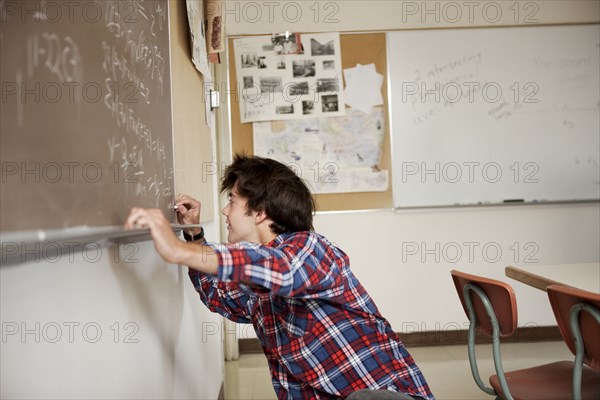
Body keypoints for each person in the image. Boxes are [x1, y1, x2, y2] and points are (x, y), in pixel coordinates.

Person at [125, 155, 434, 400]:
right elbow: (219, 295)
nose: (224, 210)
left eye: (232, 200)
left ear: (259, 212)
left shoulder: (312, 250)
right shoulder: (261, 284)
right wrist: (192, 236)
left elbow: (277, 267)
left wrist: (176, 249)